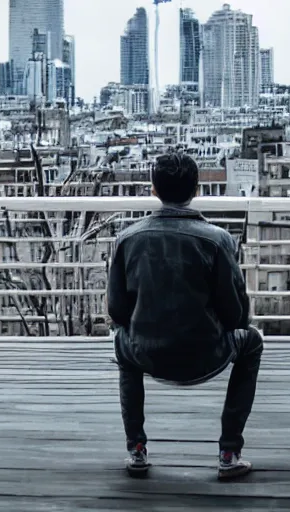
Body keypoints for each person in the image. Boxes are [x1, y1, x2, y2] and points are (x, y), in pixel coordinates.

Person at [107, 153, 263, 481]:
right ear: (196, 188)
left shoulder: (127, 239)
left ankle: (136, 449)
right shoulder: (218, 240)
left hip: (145, 353)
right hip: (207, 355)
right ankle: (229, 451)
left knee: (121, 343)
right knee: (252, 343)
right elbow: (237, 316)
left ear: (153, 190)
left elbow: (116, 312)